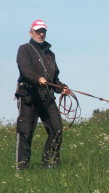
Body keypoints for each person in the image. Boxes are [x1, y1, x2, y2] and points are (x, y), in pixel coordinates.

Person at [15, 19, 69, 169]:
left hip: (47, 97)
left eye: (43, 31)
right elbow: (25, 70)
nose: (41, 33)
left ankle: (49, 165)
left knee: (56, 130)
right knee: (25, 134)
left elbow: (54, 79)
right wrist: (37, 78)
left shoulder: (50, 54)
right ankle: (23, 169)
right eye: (38, 31)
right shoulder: (24, 49)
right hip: (29, 96)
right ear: (31, 32)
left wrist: (62, 88)